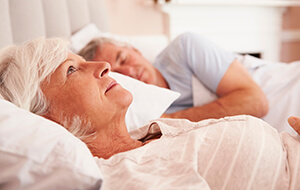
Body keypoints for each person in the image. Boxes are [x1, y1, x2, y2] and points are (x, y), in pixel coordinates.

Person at [0, 37, 299, 189]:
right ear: (46, 118)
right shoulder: (128, 174)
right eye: (72, 70)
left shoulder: (148, 131)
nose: (103, 68)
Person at [78, 32, 300, 135]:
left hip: (288, 87)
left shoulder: (184, 49)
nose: (128, 72)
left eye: (124, 59)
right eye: (119, 76)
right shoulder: (140, 111)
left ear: (135, 50)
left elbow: (255, 102)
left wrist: (167, 121)